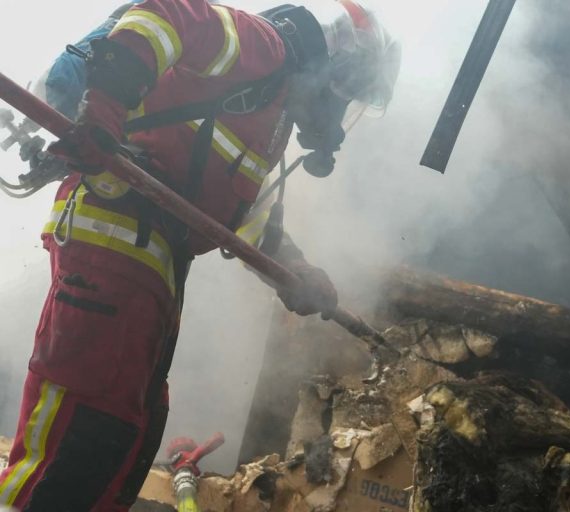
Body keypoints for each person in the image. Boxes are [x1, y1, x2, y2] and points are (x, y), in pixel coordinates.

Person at [0, 0, 400, 510]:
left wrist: (296, 270)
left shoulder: (267, 113)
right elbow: (158, 17)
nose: (341, 113)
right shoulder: (262, 46)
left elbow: (245, 215)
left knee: (127, 427)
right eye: (350, 95)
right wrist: (103, 108)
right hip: (115, 240)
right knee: (84, 423)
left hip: (154, 273)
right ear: (339, 67)